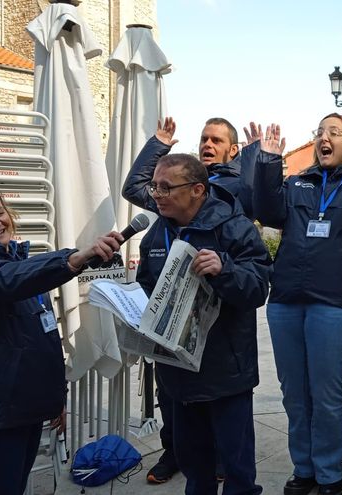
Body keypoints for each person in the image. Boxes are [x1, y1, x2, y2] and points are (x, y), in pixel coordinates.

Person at [0, 186, 122, 495]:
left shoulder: (19, 261)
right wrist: (74, 259)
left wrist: (55, 397)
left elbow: (43, 337)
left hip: (29, 404)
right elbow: (4, 280)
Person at [254, 115, 342, 495]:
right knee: (294, 393)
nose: (324, 138)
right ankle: (304, 469)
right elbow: (267, 212)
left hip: (336, 304)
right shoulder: (298, 182)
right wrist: (266, 161)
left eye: (334, 133)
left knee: (325, 394)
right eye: (320, 132)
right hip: (285, 301)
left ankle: (329, 474)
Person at [122, 151, 271, 495]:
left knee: (236, 468)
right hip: (176, 374)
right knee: (194, 466)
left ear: (197, 190)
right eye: (155, 187)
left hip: (225, 373)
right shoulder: (155, 234)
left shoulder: (235, 227)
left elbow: (258, 288)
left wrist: (226, 270)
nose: (156, 195)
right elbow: (147, 287)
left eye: (165, 188)